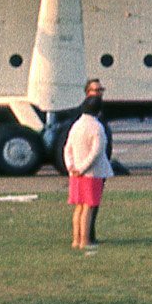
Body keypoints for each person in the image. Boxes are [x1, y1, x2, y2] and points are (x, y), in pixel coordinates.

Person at [65, 79, 113, 248]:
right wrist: (83, 168)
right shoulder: (96, 126)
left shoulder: (76, 125)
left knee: (79, 207)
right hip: (91, 173)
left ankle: (76, 240)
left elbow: (67, 148)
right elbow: (97, 151)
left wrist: (71, 167)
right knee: (89, 208)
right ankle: (85, 240)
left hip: (75, 173)